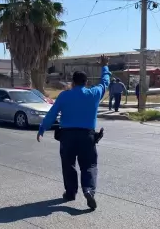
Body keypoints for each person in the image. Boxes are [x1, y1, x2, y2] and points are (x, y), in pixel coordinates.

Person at [36, 55, 111, 211]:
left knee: (68, 165)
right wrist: (104, 66)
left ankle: (70, 193)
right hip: (87, 136)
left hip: (67, 136)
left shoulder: (64, 95)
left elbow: (52, 113)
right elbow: (105, 82)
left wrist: (43, 128)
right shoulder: (94, 93)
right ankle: (88, 190)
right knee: (89, 165)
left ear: (73, 82)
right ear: (86, 82)